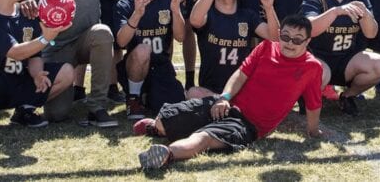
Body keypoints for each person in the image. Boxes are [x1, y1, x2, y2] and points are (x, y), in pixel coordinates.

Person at [134, 14, 323, 170]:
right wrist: (224, 98)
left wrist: (313, 132)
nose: (290, 43)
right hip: (226, 105)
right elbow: (240, 75)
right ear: (279, 34)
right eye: (286, 37)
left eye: (297, 39)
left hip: (248, 126)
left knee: (204, 138)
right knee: (162, 120)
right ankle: (156, 127)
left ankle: (167, 154)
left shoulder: (312, 67)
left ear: (308, 41)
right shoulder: (265, 47)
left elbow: (314, 104)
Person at [24, 0, 137, 127]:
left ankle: (97, 107)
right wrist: (25, 4)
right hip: (55, 49)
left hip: (86, 41)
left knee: (102, 32)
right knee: (57, 114)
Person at [300, 0, 380, 116]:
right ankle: (307, 96)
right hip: (320, 58)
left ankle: (347, 96)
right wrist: (336, 11)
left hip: (348, 61)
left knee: (379, 64)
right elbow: (310, 29)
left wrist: (366, 15)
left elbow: (371, 33)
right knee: (317, 70)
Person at [187, 0, 280, 97]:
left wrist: (269, 7)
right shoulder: (208, 14)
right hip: (210, 91)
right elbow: (194, 19)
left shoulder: (248, 16)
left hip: (241, 89)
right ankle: (225, 104)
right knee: (193, 93)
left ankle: (226, 105)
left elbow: (275, 38)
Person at [0, 0, 73, 127]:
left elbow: (34, 55)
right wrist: (46, 38)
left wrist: (37, 74)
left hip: (17, 80)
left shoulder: (27, 14)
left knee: (66, 72)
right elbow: (15, 52)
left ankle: (25, 110)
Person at [114, 0, 186, 119]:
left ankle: (148, 97)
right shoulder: (125, 3)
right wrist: (137, 14)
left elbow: (181, 37)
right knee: (143, 50)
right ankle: (134, 98)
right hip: (133, 67)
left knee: (173, 106)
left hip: (161, 66)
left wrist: (176, 10)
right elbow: (121, 42)